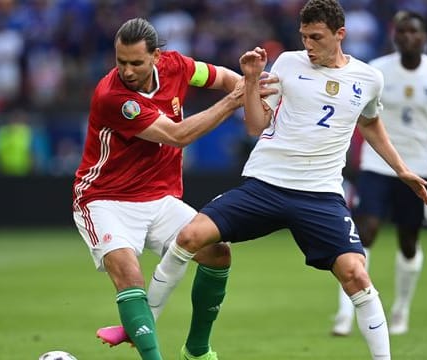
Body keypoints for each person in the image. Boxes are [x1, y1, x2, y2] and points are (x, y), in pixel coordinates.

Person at [148, 1, 427, 359]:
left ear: (340, 35)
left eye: (316, 37)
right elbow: (255, 125)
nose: (308, 45)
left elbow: (371, 122)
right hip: (265, 185)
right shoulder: (287, 63)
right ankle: (143, 325)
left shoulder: (369, 79)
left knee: (356, 275)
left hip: (320, 196)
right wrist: (251, 80)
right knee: (189, 236)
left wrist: (401, 168)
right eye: (304, 36)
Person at [72, 18, 276, 360]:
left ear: (156, 56)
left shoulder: (177, 65)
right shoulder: (116, 97)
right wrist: (234, 102)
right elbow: (178, 136)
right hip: (105, 199)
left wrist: (249, 89)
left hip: (160, 197)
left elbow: (222, 77)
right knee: (129, 275)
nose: (127, 70)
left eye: (136, 62)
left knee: (218, 252)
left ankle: (197, 349)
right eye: (120, 61)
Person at [332, 10, 427, 337]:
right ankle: (346, 314)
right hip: (378, 164)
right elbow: (357, 114)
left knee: (408, 240)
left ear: (425, 38)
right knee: (366, 232)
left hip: (418, 168)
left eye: (414, 32)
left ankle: (401, 309)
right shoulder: (377, 70)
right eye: (401, 32)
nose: (407, 37)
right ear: (394, 36)